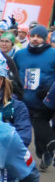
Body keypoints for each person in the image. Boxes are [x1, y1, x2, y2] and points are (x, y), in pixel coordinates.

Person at [14, 24, 55, 170]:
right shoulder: (20, 54)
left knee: (40, 132)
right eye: (33, 36)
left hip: (45, 102)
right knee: (23, 132)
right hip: (25, 100)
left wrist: (49, 90)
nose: (35, 39)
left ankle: (46, 153)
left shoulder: (52, 54)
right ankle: (23, 159)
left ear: (45, 39)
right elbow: (14, 74)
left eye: (39, 37)